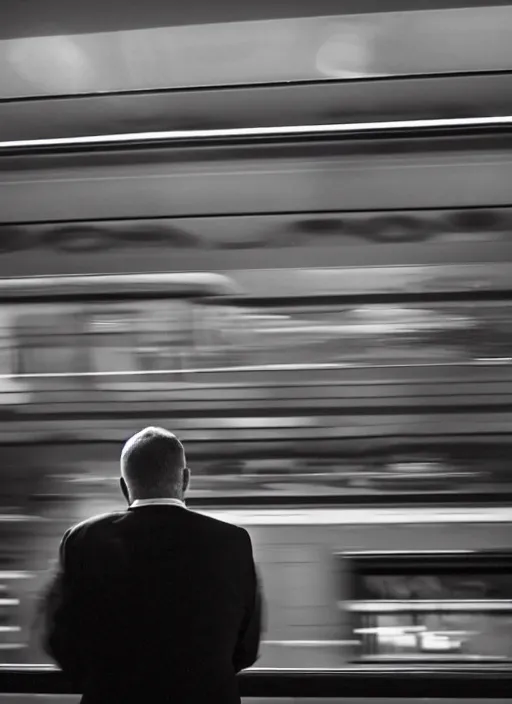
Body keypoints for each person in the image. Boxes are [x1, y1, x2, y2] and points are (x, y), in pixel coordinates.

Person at [40, 427, 263, 703]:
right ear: (185, 479)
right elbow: (246, 648)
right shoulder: (234, 542)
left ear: (124, 486)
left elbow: (61, 640)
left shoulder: (83, 540)